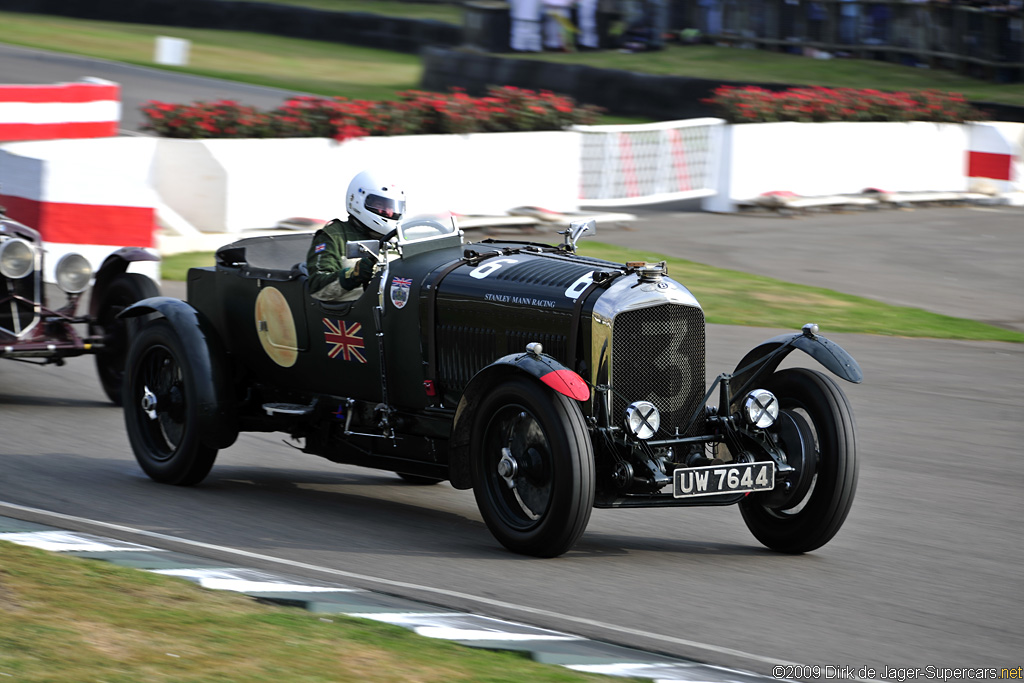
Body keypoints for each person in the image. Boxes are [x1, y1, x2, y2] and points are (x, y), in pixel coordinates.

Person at [306, 170, 406, 302]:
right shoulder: (333, 236)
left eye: (392, 206)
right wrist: (353, 275)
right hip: (355, 314)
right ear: (357, 200)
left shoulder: (399, 238)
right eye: (380, 205)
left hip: (395, 309)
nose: (388, 212)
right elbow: (317, 288)